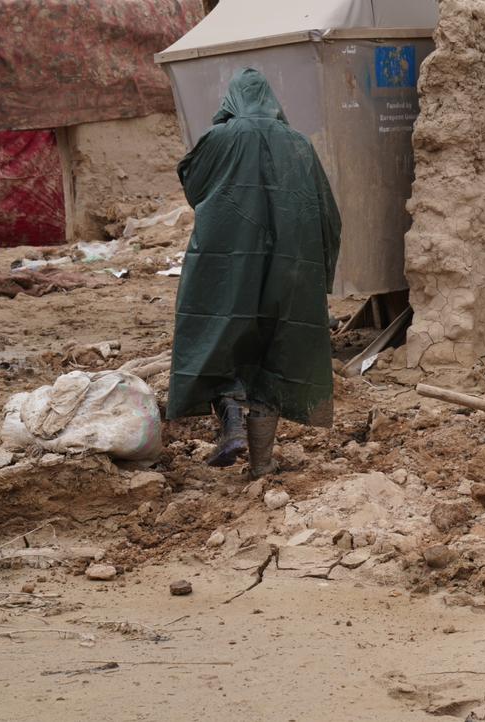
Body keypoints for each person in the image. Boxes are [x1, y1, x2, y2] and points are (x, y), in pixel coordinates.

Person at [166, 68, 341, 478]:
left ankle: (230, 423)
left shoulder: (220, 139)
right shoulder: (300, 145)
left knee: (216, 340)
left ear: (232, 101)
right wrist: (321, 278)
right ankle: (261, 466)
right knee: (273, 356)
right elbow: (329, 217)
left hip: (226, 268)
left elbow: (194, 187)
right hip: (291, 273)